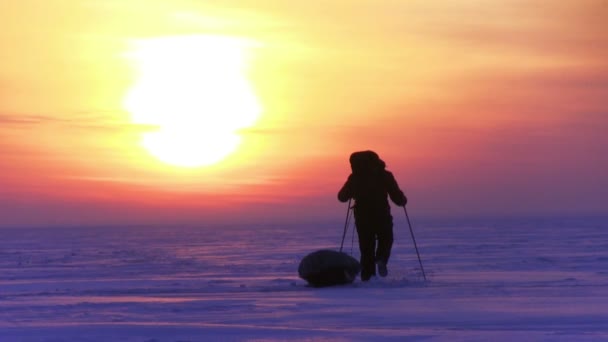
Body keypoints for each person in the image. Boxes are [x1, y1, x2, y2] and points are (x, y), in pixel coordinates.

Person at [337, 150, 407, 281]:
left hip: (363, 218)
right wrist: (402, 200)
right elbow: (396, 197)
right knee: (386, 239)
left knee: (366, 248)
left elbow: (341, 197)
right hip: (382, 214)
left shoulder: (355, 178)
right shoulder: (385, 175)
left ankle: (368, 278)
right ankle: (381, 258)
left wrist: (353, 192)